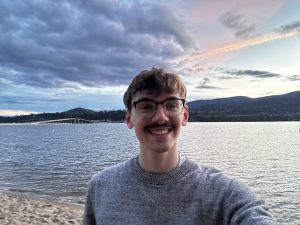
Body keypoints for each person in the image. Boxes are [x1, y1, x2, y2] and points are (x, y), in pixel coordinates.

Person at [83, 68, 276, 225]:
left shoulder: (224, 193)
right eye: (146, 106)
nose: (160, 117)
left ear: (184, 115)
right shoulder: (101, 186)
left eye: (171, 105)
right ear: (128, 118)